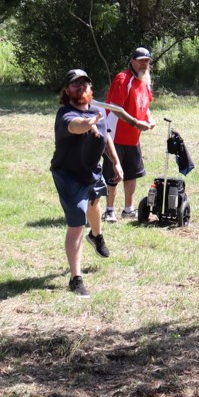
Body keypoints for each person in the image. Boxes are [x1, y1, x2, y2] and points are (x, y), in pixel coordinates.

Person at [50, 69, 123, 297]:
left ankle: (96, 236)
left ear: (91, 89)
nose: (81, 87)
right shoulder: (66, 114)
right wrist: (88, 122)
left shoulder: (97, 111)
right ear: (67, 90)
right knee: (76, 225)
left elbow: (107, 135)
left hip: (92, 171)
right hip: (69, 176)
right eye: (75, 84)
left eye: (85, 84)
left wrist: (116, 162)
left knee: (95, 204)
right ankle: (76, 278)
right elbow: (75, 126)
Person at [102, 47, 157, 221]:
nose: (144, 64)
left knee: (132, 174)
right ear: (131, 61)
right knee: (113, 174)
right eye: (141, 60)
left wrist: (150, 118)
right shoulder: (122, 79)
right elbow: (115, 108)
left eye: (147, 61)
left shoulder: (144, 81)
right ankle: (109, 210)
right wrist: (135, 122)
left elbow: (145, 106)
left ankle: (128, 209)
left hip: (133, 138)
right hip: (115, 135)